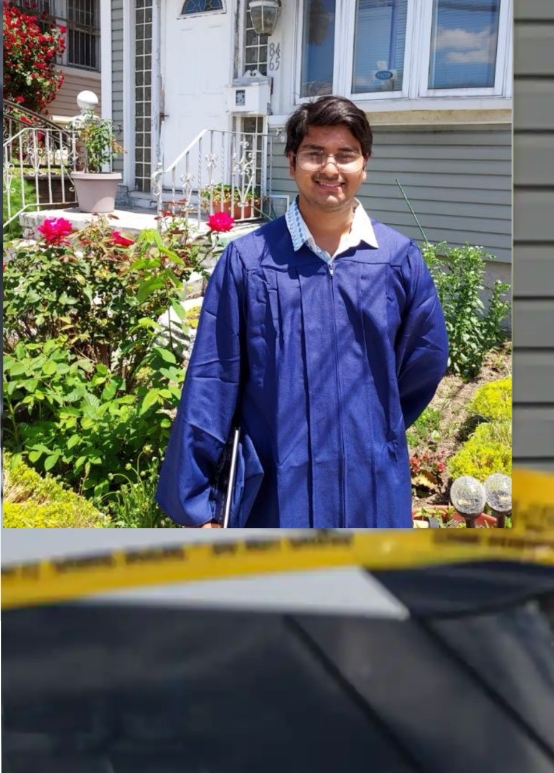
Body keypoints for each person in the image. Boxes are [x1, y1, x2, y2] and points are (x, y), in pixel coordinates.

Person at [155, 95, 449, 529]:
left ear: (364, 164)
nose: (330, 168)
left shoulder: (397, 260)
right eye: (315, 153)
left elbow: (422, 361)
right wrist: (200, 503)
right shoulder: (249, 261)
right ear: (292, 163)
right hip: (276, 479)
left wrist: (373, 425)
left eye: (345, 155)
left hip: (371, 480)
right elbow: (213, 379)